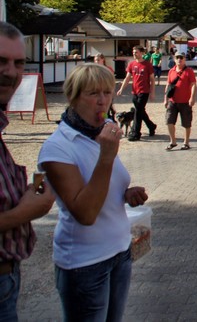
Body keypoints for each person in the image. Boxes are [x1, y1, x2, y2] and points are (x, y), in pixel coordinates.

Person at [37, 63, 148, 321]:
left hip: (120, 250)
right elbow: (85, 213)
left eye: (107, 92)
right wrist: (106, 157)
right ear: (73, 97)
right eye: (93, 93)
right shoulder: (58, 147)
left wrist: (125, 193)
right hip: (84, 263)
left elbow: (103, 185)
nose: (103, 101)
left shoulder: (103, 130)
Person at [0, 22, 56, 320]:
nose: (10, 72)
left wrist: (24, 194)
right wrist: (24, 212)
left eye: (19, 63)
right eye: (1, 61)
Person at [117, 46, 157, 141]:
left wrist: (152, 92)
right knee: (140, 111)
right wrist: (121, 89)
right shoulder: (132, 64)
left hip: (144, 91)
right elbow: (127, 77)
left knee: (138, 111)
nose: (134, 54)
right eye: (133, 52)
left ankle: (135, 132)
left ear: (142, 53)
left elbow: (152, 80)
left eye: (136, 52)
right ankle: (151, 126)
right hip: (135, 91)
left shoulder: (147, 65)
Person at [163, 52, 196, 151]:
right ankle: (173, 141)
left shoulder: (189, 71)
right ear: (174, 59)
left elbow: (193, 84)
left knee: (186, 123)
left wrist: (192, 97)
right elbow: (168, 85)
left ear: (184, 59)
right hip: (172, 101)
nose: (179, 59)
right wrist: (165, 99)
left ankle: (186, 142)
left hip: (185, 101)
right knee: (169, 121)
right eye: (177, 57)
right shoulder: (171, 71)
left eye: (181, 57)